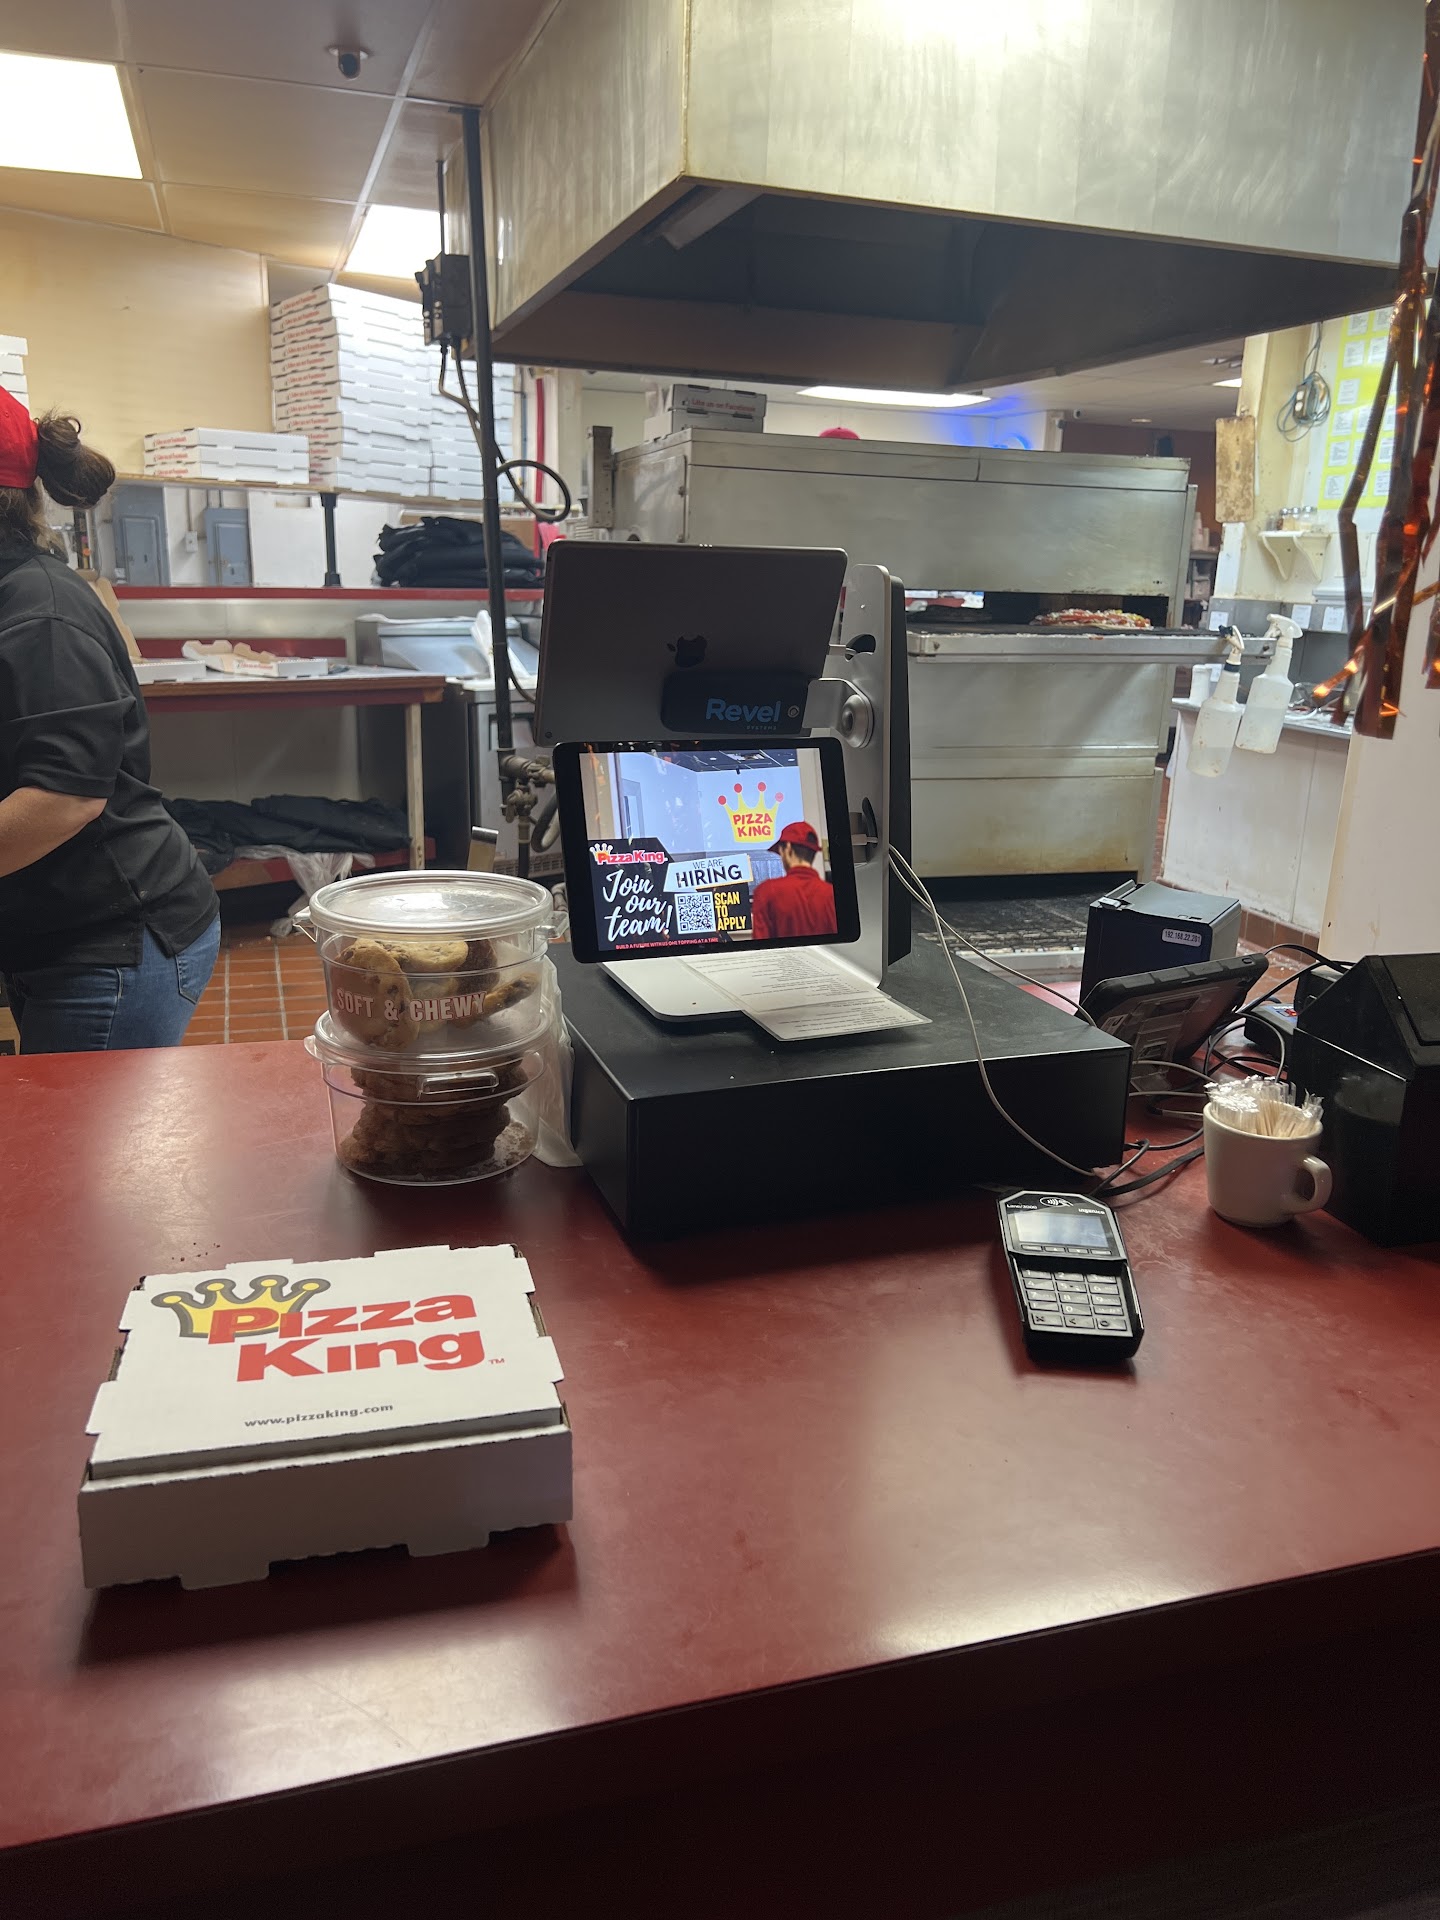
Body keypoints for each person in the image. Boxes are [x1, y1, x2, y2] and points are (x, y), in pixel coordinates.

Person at [0, 390, 219, 1051]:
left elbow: (63, 798)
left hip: (114, 943)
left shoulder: (40, 614)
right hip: (51, 927)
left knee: (87, 1123)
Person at [750, 821, 837, 940]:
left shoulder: (766, 892)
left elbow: (762, 947)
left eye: (780, 851)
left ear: (788, 848)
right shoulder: (831, 894)